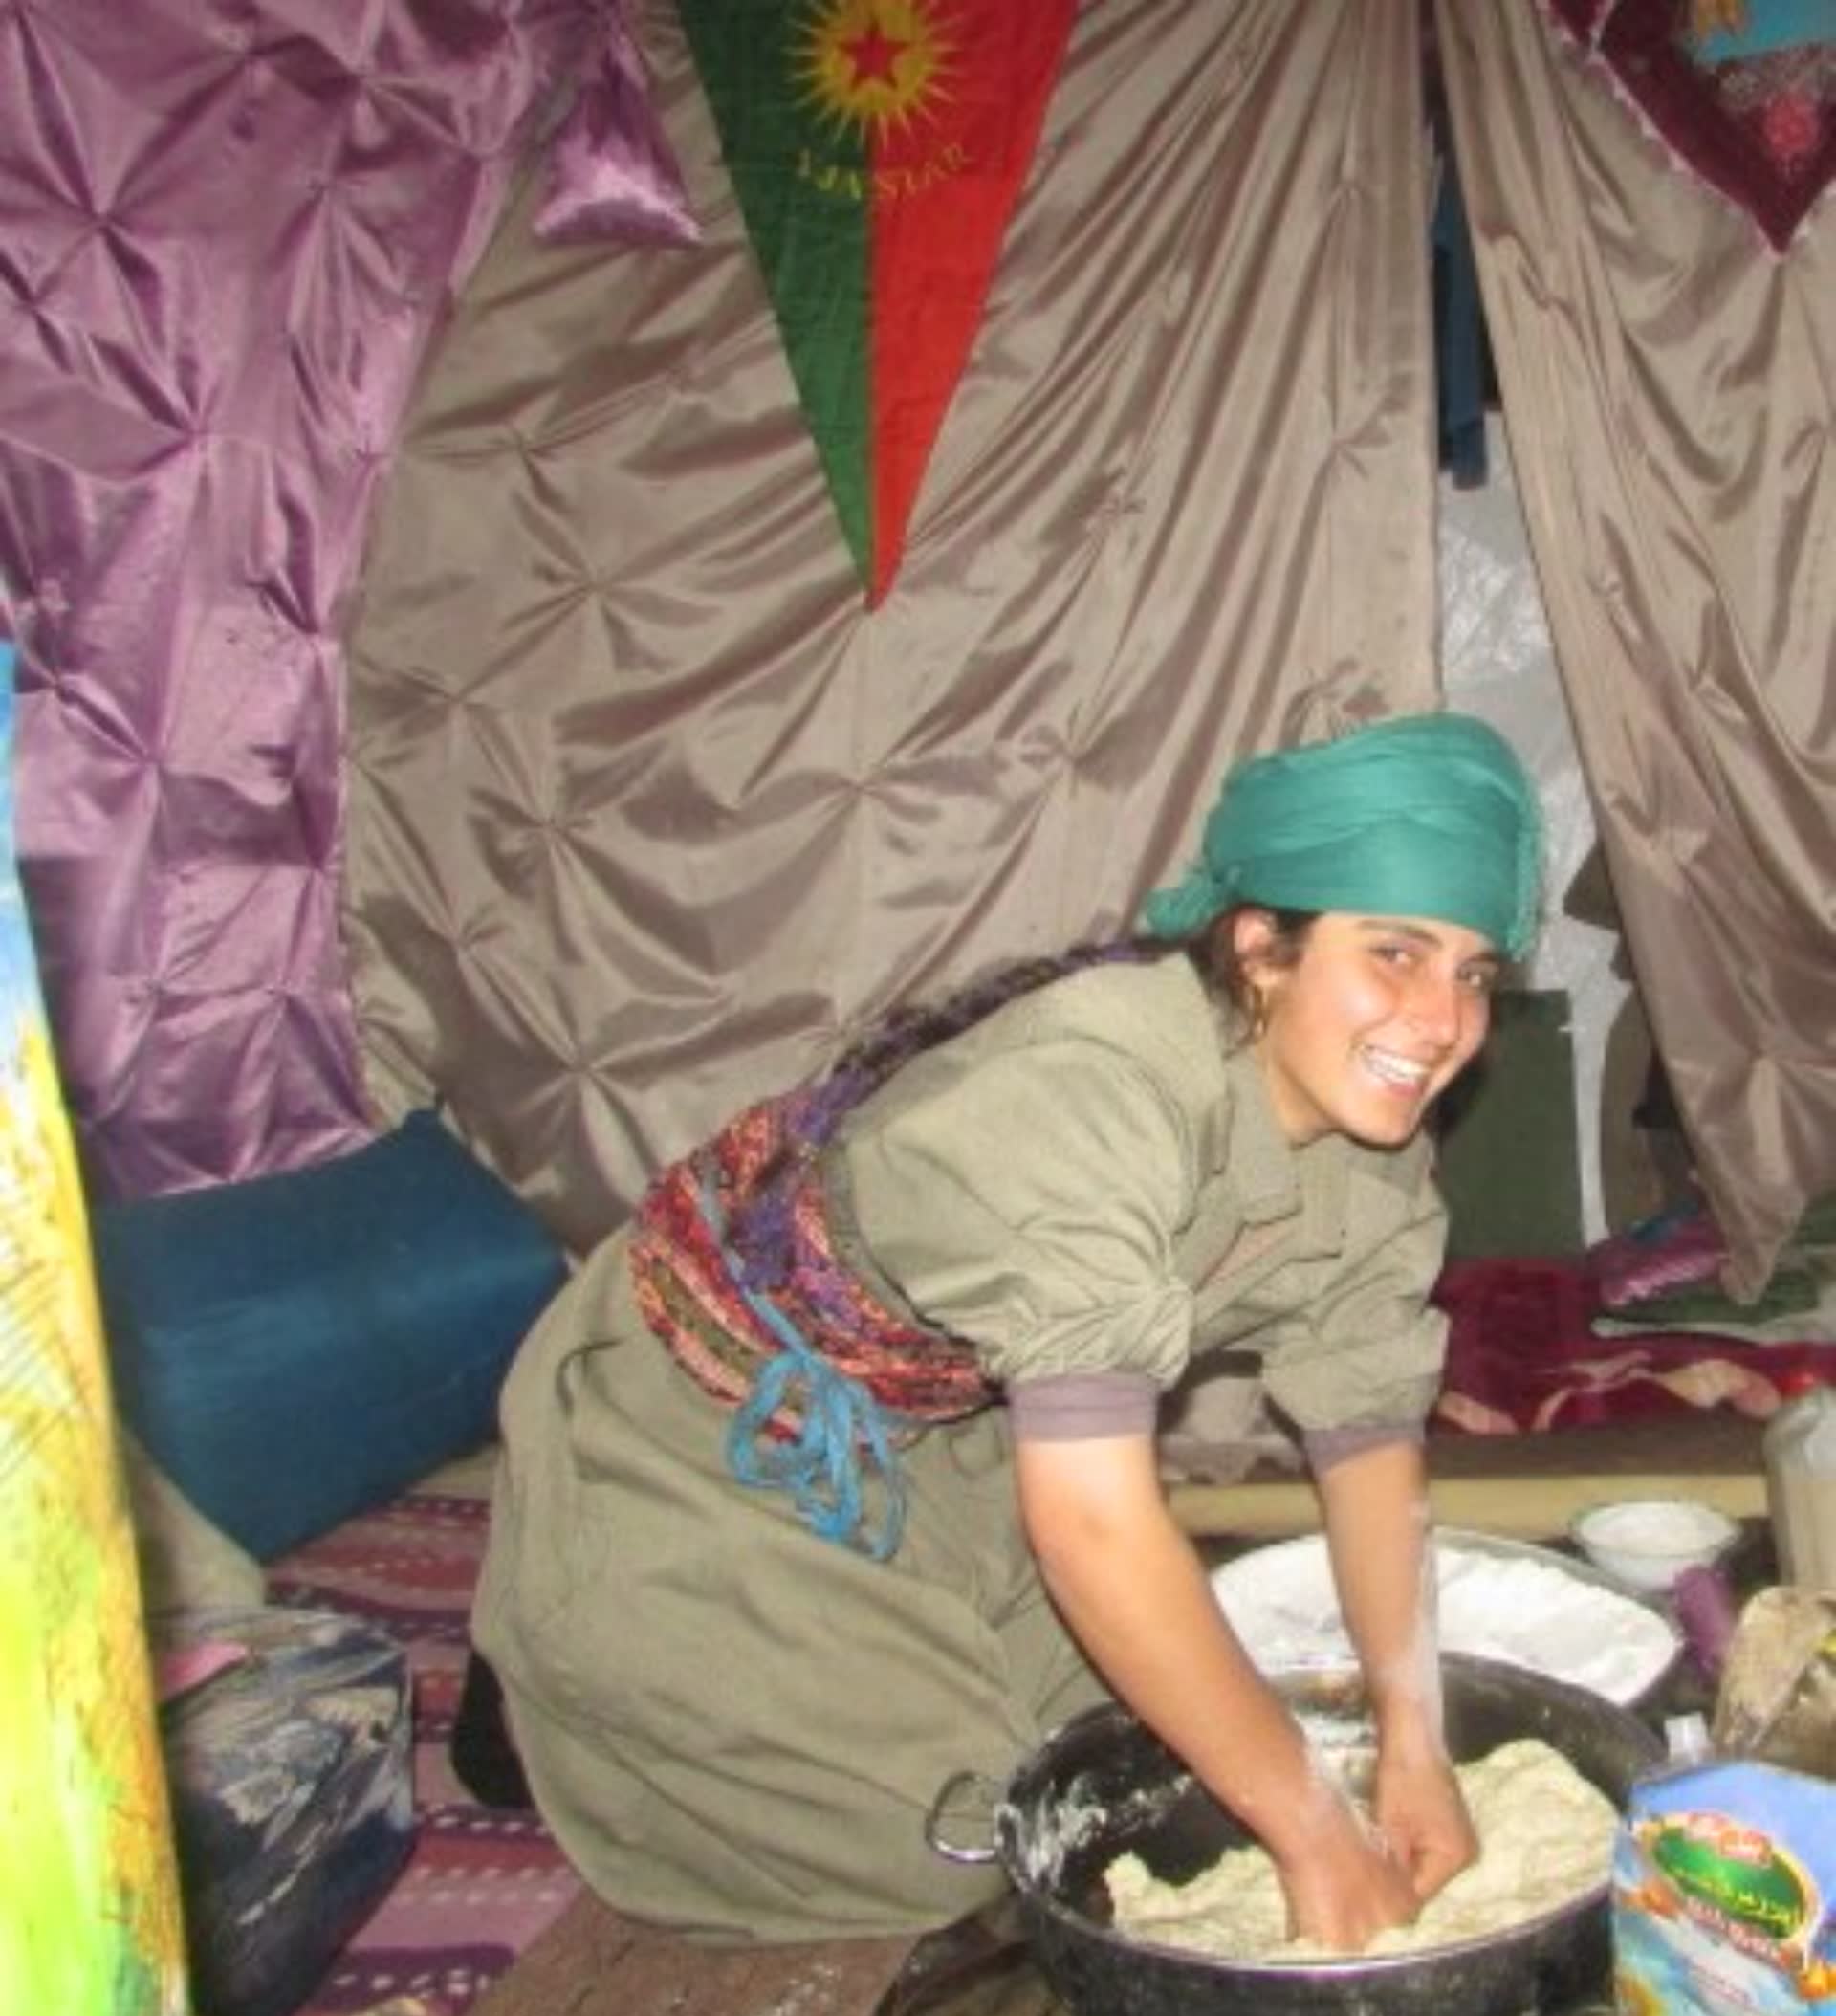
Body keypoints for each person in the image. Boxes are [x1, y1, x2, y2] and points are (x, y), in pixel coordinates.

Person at [465, 710, 1543, 1950]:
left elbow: (1369, 1445)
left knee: (1123, 1763)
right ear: (1262, 948)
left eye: (1474, 975)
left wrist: (1415, 1739)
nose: (1441, 1020)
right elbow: (1093, 1524)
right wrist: (1316, 1832)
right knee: (965, 1846)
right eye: (1396, 953)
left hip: (931, 1442)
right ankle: (555, 1675)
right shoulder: (1092, 1093)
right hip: (699, 1440)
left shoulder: (1374, 1160)